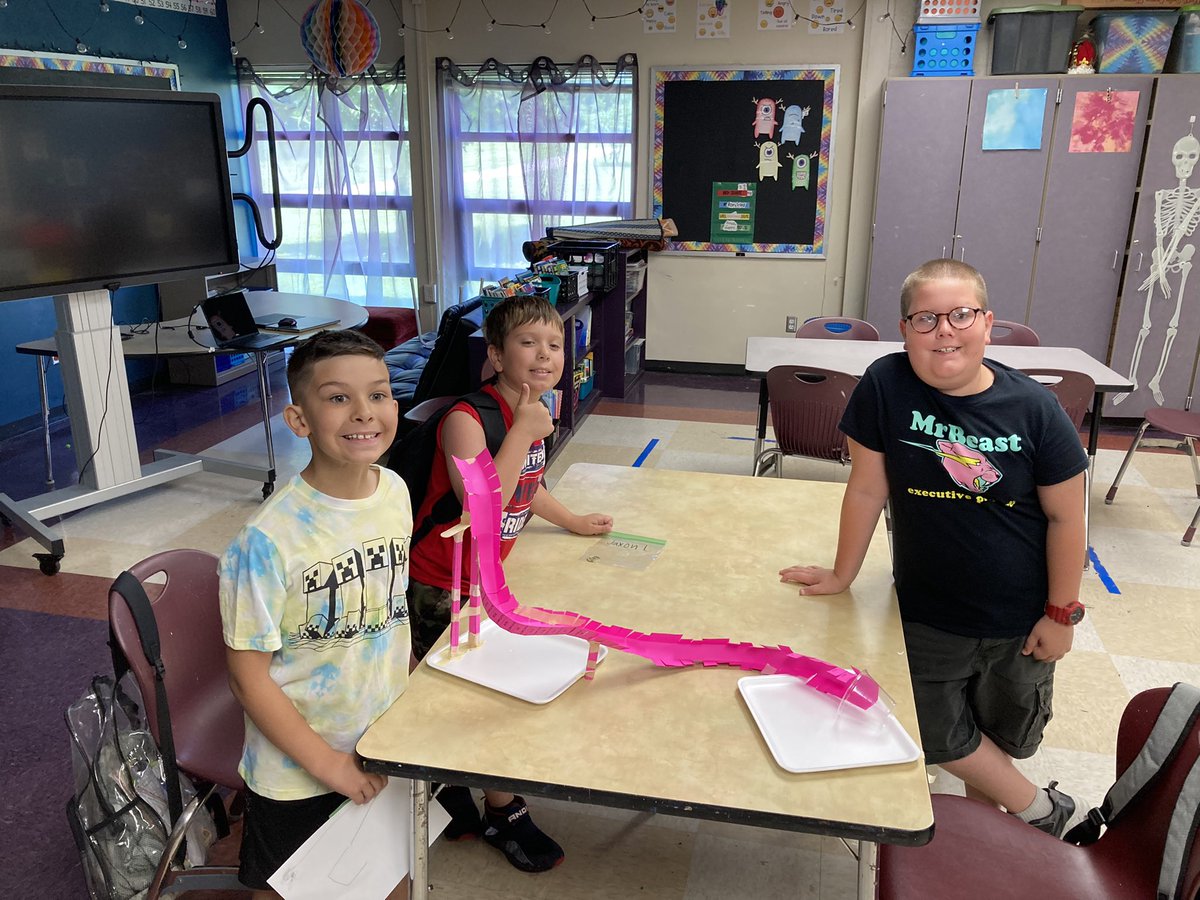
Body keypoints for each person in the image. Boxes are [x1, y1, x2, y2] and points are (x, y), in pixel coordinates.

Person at [779, 259, 1088, 838]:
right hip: (927, 612)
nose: (944, 330)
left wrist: (1061, 613)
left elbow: (1067, 517)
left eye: (961, 315)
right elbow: (867, 487)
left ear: (987, 324)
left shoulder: (1035, 409)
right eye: (926, 318)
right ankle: (1042, 810)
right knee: (934, 730)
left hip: (1018, 618)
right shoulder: (886, 384)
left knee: (997, 735)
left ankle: (991, 839)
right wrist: (843, 574)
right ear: (905, 330)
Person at [407, 294, 613, 872]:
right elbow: (483, 506)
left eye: (555, 344)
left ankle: (452, 785)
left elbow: (528, 483)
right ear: (496, 356)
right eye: (528, 343)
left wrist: (571, 520)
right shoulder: (467, 420)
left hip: (483, 581)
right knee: (470, 692)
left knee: (474, 681)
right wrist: (523, 430)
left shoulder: (529, 409)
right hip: (441, 582)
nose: (546, 355)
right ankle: (500, 808)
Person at [220, 329, 413, 897]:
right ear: (299, 420)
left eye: (378, 394)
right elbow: (247, 679)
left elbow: (389, 613)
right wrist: (330, 766)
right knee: (290, 889)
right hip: (298, 768)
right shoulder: (266, 539)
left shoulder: (394, 492)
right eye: (338, 398)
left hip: (381, 742)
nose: (364, 412)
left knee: (386, 876)